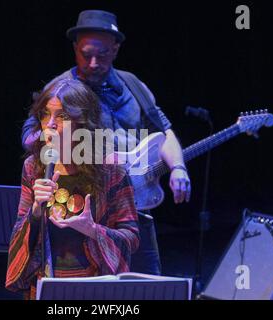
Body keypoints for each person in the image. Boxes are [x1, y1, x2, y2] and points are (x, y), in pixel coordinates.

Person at [21, 10, 191, 275]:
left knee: (145, 285)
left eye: (102, 55)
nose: (92, 63)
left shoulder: (133, 84)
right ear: (75, 47)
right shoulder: (60, 89)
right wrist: (85, 151)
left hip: (134, 207)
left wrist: (178, 166)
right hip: (82, 211)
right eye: (85, 54)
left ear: (115, 49)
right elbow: (31, 137)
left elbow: (164, 132)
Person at [6, 79, 140, 299]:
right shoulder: (33, 167)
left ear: (83, 123)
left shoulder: (111, 171)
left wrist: (92, 229)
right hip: (45, 285)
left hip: (96, 288)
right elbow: (18, 234)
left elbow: (131, 238)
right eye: (45, 115)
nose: (50, 125)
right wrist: (36, 212)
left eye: (62, 117)